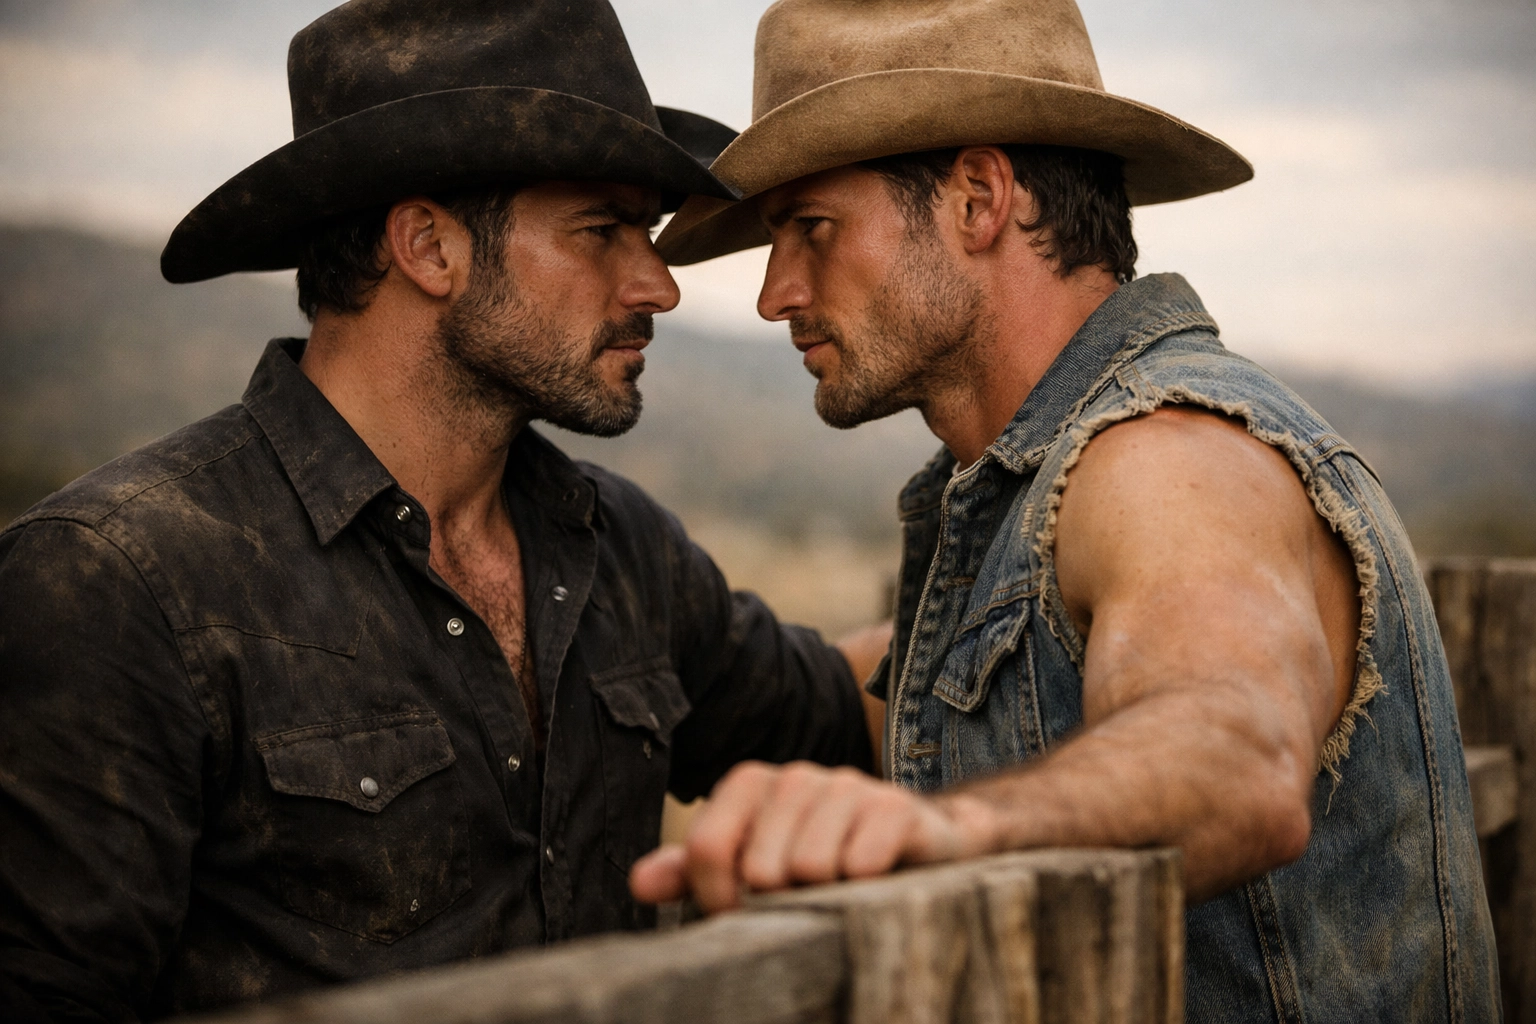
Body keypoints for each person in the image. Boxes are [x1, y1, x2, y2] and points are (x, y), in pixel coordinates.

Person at [0, 1, 883, 1019]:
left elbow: (840, 707)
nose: (659, 284)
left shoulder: (619, 548)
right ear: (427, 245)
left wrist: (1063, 553)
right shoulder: (117, 586)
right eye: (603, 229)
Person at [630, 0, 1500, 1017]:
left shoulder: (1163, 457)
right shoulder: (1033, 500)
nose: (776, 291)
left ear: (978, 197)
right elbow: (944, 687)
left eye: (811, 228)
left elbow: (1232, 746)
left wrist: (954, 835)